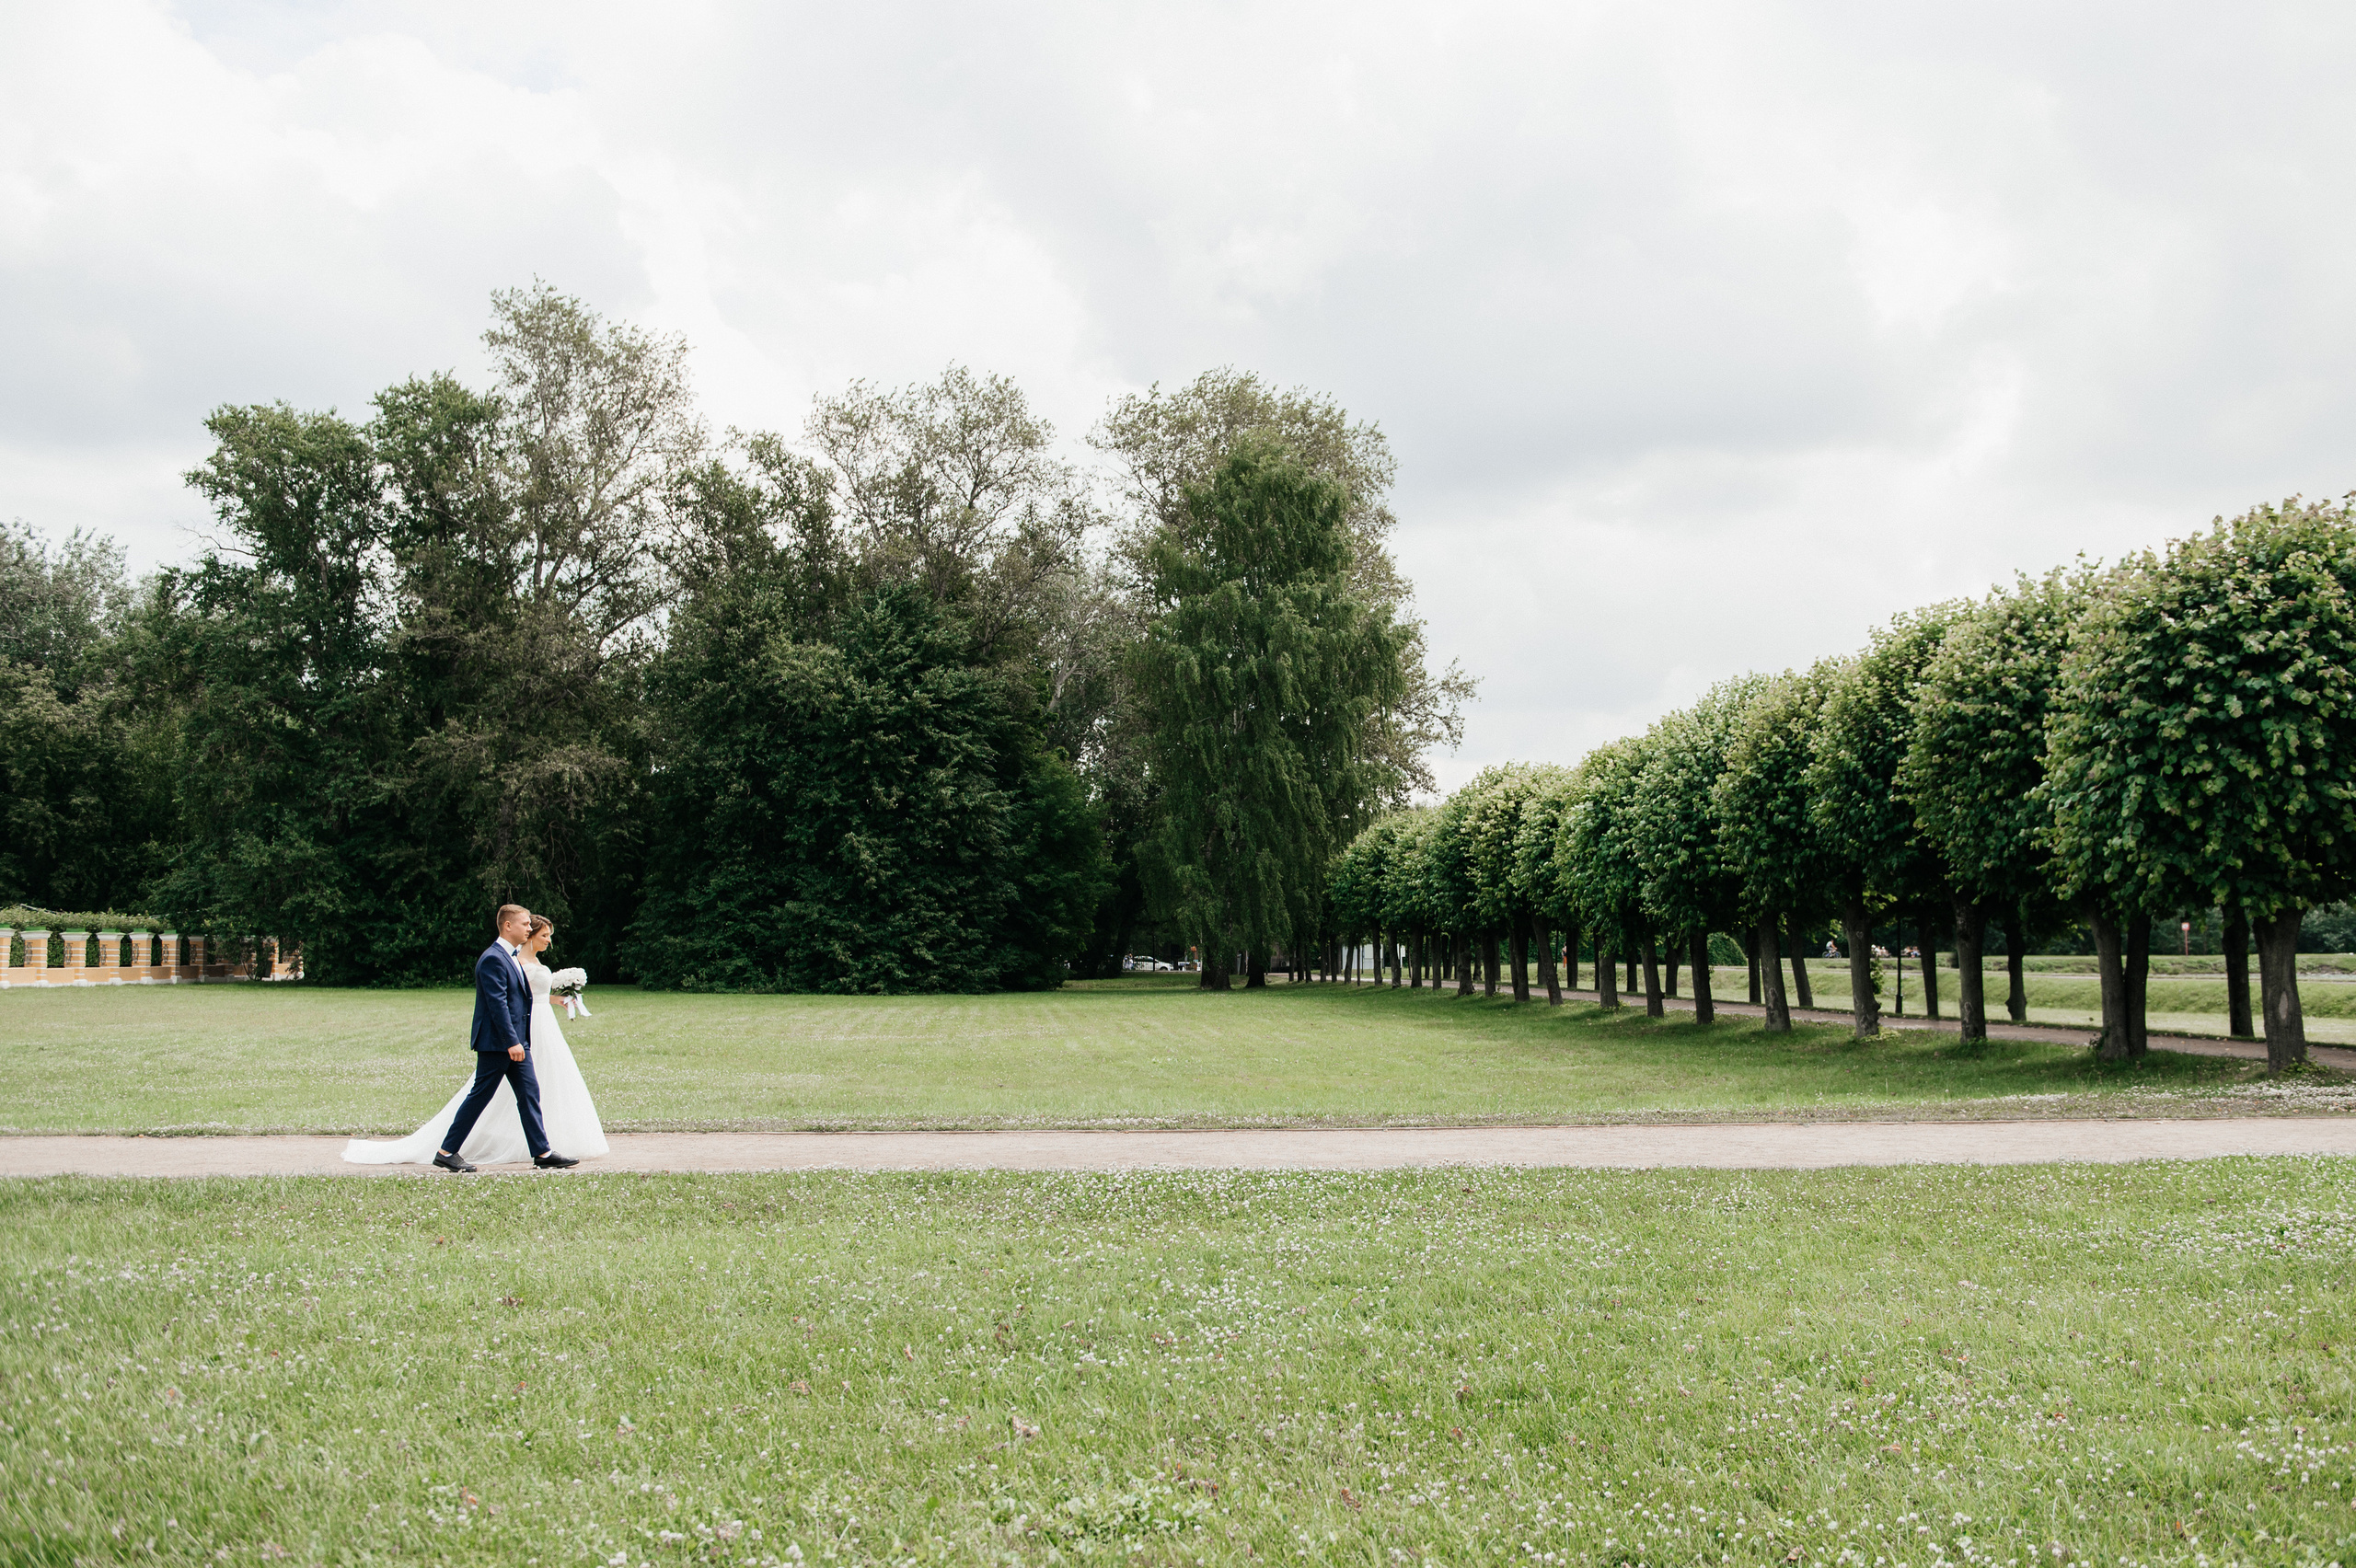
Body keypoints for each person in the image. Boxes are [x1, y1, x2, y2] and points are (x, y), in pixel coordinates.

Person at [341, 905, 585, 1171]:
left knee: (529, 1093)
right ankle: (446, 1151)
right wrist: (512, 1041)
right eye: (525, 924)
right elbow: (497, 1004)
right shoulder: (493, 958)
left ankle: (542, 1152)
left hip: (516, 1042)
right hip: (498, 1043)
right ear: (507, 926)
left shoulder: (511, 956)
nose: (529, 928)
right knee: (480, 1096)